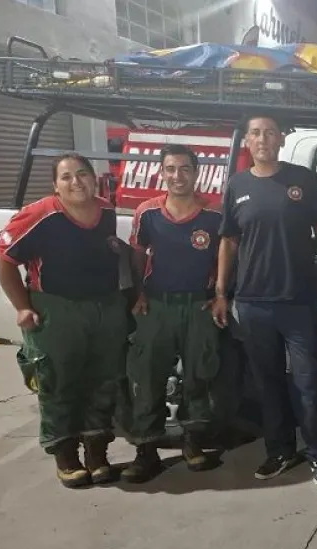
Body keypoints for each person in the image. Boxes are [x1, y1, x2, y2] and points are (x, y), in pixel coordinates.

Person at [211, 115, 317, 489]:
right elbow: (228, 241)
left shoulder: (302, 178)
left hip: (299, 301)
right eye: (255, 133)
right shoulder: (237, 185)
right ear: (248, 141)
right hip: (253, 303)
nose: (263, 138)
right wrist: (222, 293)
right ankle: (280, 450)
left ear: (281, 139)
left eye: (270, 132)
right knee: (267, 383)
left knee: (308, 381)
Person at [0, 153, 128, 489]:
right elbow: (3, 258)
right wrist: (22, 306)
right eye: (66, 177)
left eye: (82, 174)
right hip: (57, 311)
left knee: (103, 382)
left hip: (104, 308)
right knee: (58, 383)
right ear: (55, 185)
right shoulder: (41, 215)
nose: (76, 182)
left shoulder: (106, 210)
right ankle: (66, 457)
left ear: (94, 179)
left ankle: (97, 455)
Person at [119, 144, 224, 482]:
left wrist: (219, 295)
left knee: (199, 375)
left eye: (184, 169)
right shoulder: (146, 213)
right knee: (147, 377)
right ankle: (145, 450)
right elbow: (137, 256)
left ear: (197, 173)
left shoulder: (214, 216)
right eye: (170, 169)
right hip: (157, 306)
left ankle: (192, 444)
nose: (177, 176)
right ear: (161, 173)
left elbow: (224, 260)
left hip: (199, 306)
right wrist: (138, 295)